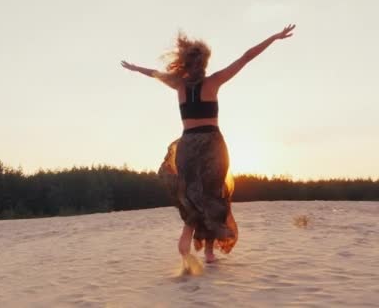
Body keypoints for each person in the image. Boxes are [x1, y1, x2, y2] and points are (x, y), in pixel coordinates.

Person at [121, 24, 296, 263]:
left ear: (186, 63)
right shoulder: (214, 81)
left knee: (189, 192)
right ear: (203, 64)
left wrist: (134, 68)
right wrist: (274, 38)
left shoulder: (178, 85)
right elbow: (246, 57)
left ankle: (189, 228)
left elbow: (152, 73)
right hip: (212, 144)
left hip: (188, 144)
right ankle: (209, 251)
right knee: (214, 196)